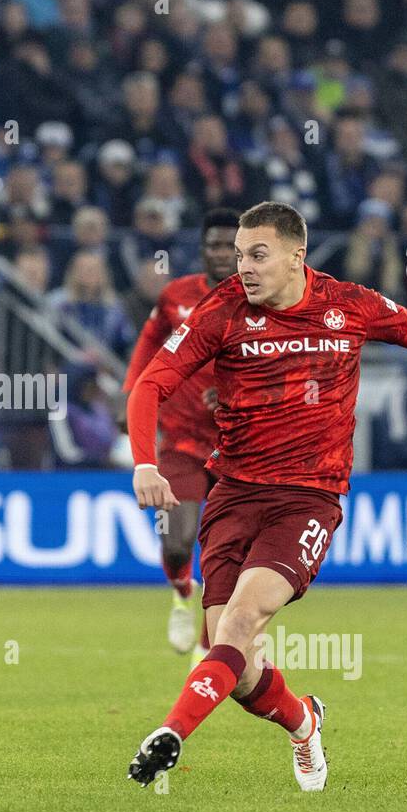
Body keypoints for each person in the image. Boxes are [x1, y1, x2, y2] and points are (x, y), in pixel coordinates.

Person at [125, 201, 407, 791]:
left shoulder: (347, 305)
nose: (243, 267)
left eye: (257, 255)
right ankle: (303, 720)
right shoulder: (223, 312)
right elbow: (151, 386)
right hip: (233, 494)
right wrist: (144, 461)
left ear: (297, 256)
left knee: (241, 621)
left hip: (307, 499)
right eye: (239, 255)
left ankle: (170, 734)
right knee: (233, 661)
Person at [120, 207, 238, 662]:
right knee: (176, 539)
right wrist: (130, 396)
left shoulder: (259, 302)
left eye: (232, 246)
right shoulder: (177, 297)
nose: (223, 254)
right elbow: (148, 350)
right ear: (203, 250)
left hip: (238, 444)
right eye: (215, 245)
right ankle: (180, 592)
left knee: (227, 549)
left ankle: (210, 643)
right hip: (184, 440)